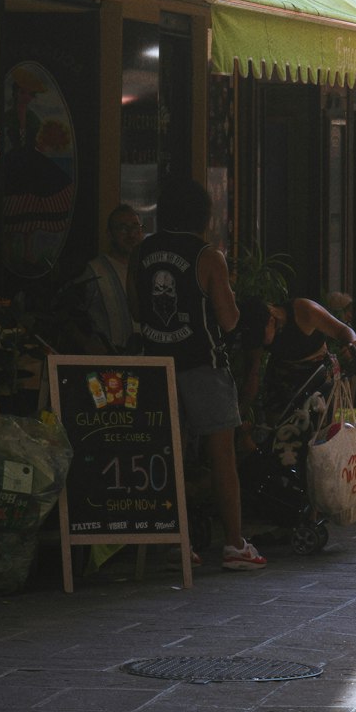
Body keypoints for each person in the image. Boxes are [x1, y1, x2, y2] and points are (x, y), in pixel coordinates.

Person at [130, 176, 264, 571]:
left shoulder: (141, 252)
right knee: (221, 455)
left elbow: (137, 311)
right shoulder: (208, 256)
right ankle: (235, 545)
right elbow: (227, 319)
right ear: (204, 216)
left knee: (169, 456)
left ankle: (177, 543)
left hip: (155, 366)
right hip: (202, 365)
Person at [262, 288, 356, 423]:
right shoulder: (258, 331)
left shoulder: (304, 310)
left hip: (318, 377)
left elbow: (342, 330)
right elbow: (253, 370)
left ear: (272, 320)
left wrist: (353, 345)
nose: (263, 342)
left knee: (320, 428)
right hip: (282, 382)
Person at [80, 204, 143, 352]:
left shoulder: (149, 268)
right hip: (109, 362)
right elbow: (66, 313)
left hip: (145, 361)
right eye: (122, 228)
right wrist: (86, 344)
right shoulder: (94, 271)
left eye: (135, 227)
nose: (131, 234)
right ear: (109, 234)